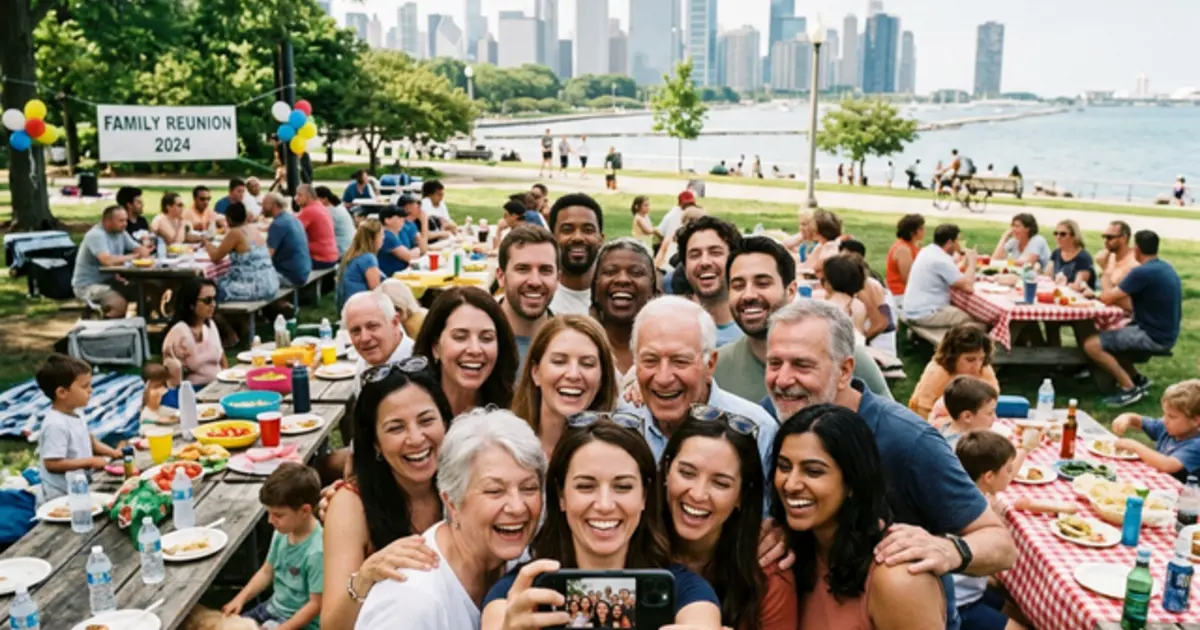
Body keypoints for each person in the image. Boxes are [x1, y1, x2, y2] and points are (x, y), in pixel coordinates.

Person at [762, 300, 1016, 628]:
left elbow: (1000, 545)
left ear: (844, 371)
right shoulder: (775, 415)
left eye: (801, 365)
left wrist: (949, 550)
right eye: (774, 363)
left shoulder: (907, 441)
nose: (782, 380)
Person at [479, 420, 723, 630]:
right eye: (586, 486)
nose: (605, 505)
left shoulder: (688, 592)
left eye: (623, 486)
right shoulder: (516, 593)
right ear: (562, 496)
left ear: (644, 496)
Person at [355, 409, 546, 629]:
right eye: (495, 491)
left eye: (529, 488)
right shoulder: (411, 602)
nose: (517, 507)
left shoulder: (521, 559)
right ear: (452, 502)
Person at [773, 404, 947, 629]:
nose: (791, 484)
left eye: (813, 471)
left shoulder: (897, 579)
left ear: (853, 482)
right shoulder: (793, 551)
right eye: (784, 467)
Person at [321, 360, 452, 630]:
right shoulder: (351, 504)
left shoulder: (467, 484)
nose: (416, 438)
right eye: (396, 427)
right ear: (375, 444)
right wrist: (365, 577)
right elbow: (333, 626)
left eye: (426, 420)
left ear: (446, 423)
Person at [618, 296, 778, 485]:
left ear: (710, 364)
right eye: (650, 360)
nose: (663, 378)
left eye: (680, 361)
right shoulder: (620, 425)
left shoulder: (757, 431)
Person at [716, 236, 892, 404]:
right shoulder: (717, 368)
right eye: (738, 286)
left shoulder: (844, 357)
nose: (748, 295)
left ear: (791, 291)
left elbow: (892, 426)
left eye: (762, 283)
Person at [661, 417, 799, 629]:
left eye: (720, 483)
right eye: (687, 473)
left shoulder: (767, 576)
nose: (698, 494)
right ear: (667, 471)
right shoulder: (625, 548)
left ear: (742, 495)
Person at [1080, 230, 1182, 407]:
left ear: (1136, 250)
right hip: (1167, 332)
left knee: (1091, 344)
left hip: (1152, 335)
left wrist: (1093, 291)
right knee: (1110, 334)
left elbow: (1108, 297)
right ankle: (1137, 378)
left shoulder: (1141, 272)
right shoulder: (1166, 267)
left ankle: (1129, 388)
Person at [223, 463, 324, 630]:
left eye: (278, 515)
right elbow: (266, 572)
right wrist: (240, 599)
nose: (270, 521)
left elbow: (315, 605)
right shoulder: (282, 532)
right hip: (272, 608)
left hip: (299, 622)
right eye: (268, 513)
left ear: (305, 511)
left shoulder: (317, 551)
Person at [511, 316, 619, 458]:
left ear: (602, 377)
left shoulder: (618, 454)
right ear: (535, 372)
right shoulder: (507, 446)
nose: (573, 375)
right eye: (559, 361)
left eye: (587, 364)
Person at [952, 432, 1025, 630]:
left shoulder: (965, 496)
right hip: (960, 604)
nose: (1011, 475)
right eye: (1008, 470)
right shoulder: (977, 513)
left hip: (970, 590)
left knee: (1024, 613)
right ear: (989, 477)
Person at [415, 286, 519, 416]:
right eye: (460, 337)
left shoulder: (517, 411)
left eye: (486, 338)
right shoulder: (410, 410)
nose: (475, 350)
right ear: (435, 347)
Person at [35, 354, 122, 503]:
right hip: (60, 497)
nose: (91, 390)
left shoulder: (76, 412)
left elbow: (90, 440)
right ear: (62, 392)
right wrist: (90, 461)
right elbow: (52, 464)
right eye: (84, 386)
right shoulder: (55, 424)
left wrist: (113, 453)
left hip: (80, 487)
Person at [592, 238, 659, 378]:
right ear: (594, 288)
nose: (622, 280)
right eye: (610, 272)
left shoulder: (671, 347)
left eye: (636, 273)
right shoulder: (577, 344)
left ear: (654, 290)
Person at [496, 226, 559, 371]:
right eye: (523, 269)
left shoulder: (571, 343)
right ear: (501, 276)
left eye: (545, 270)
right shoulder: (475, 342)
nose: (535, 282)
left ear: (558, 279)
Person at [1113, 380, 1200, 482]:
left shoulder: (1196, 445)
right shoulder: (1168, 428)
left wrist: (1134, 446)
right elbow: (1140, 421)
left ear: (1195, 420)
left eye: (1172, 416)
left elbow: (1167, 465)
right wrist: (1127, 418)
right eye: (1165, 414)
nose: (1165, 420)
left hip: (1186, 494)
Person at [909, 323, 1000, 421]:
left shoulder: (984, 369)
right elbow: (923, 409)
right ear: (953, 357)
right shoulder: (937, 372)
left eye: (981, 359)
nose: (977, 366)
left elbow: (993, 399)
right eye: (970, 360)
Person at [71, 205, 150, 317]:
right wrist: (133, 257)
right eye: (121, 221)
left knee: (148, 293)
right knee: (118, 305)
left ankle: (142, 327)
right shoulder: (96, 235)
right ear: (107, 221)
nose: (125, 224)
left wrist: (144, 249)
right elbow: (107, 261)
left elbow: (140, 250)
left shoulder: (121, 232)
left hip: (110, 281)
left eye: (126, 220)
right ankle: (104, 328)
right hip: (88, 285)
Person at [677, 216, 743, 347]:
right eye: (695, 255)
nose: (704, 262)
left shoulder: (758, 334)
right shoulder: (673, 331)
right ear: (685, 268)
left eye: (715, 253)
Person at [902, 223, 977, 329]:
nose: (959, 245)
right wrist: (973, 261)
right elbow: (969, 288)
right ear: (950, 242)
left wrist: (965, 263)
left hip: (914, 308)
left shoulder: (928, 250)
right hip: (924, 313)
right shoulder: (941, 260)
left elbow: (951, 273)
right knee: (973, 321)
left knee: (958, 311)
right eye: (958, 241)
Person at [204, 202, 280, 303]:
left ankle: (227, 318)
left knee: (211, 290)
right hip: (270, 281)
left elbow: (215, 257)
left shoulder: (235, 232)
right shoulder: (253, 229)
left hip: (254, 286)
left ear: (229, 219)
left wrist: (206, 243)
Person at [162, 278, 228, 388]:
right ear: (191, 304)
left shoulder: (210, 325)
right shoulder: (179, 332)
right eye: (207, 300)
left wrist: (227, 380)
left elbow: (222, 358)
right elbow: (171, 376)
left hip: (217, 385)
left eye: (214, 299)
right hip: (194, 391)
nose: (213, 304)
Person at [548, 193, 605, 316]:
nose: (578, 237)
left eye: (588, 230)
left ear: (601, 239)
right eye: (567, 230)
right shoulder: (542, 300)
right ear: (552, 238)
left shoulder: (613, 301)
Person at [342, 290, 415, 376]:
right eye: (356, 330)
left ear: (394, 323)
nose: (364, 338)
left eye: (372, 326)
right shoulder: (364, 362)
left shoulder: (418, 367)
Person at [263, 191, 313, 289]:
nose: (262, 208)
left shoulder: (278, 225)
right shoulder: (292, 219)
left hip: (290, 276)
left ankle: (278, 303)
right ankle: (281, 303)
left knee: (250, 275)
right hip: (303, 271)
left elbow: (267, 256)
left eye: (264, 204)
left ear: (273, 205)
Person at [336, 219, 385, 311]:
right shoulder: (368, 258)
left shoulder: (351, 255)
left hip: (346, 305)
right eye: (381, 235)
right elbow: (376, 291)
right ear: (373, 238)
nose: (383, 238)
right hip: (360, 307)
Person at [938, 376, 1000, 447]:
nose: (995, 417)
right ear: (967, 417)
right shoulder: (966, 450)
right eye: (990, 413)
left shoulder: (944, 431)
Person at [886, 214, 926, 309]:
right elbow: (908, 278)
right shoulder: (903, 250)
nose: (924, 231)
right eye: (921, 229)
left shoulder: (912, 246)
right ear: (912, 233)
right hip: (901, 295)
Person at [377, 198, 425, 277]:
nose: (402, 220)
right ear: (387, 220)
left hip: (400, 274)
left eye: (403, 218)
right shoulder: (387, 237)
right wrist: (418, 249)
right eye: (399, 217)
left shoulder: (393, 235)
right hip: (391, 278)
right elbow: (409, 256)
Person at [296, 184, 340, 270]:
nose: (296, 198)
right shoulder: (321, 207)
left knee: (282, 261)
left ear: (308, 196)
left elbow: (291, 231)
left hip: (320, 260)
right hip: (333, 257)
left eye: (299, 195)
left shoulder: (309, 210)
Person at [655, 190, 701, 271]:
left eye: (691, 203)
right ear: (680, 203)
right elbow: (659, 232)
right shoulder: (672, 216)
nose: (689, 206)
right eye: (686, 204)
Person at [1046, 219, 1095, 289]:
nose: (1058, 237)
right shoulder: (1056, 253)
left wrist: (1062, 284)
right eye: (1056, 233)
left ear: (1074, 236)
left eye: (1063, 234)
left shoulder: (1083, 258)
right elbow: (1047, 278)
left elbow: (1078, 287)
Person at [796, 210, 843, 276]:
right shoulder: (821, 245)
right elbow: (806, 265)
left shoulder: (831, 249)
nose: (812, 230)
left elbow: (814, 268)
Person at [1097, 220, 1139, 291]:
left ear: (1124, 238)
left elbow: (1112, 295)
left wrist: (1104, 268)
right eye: (1104, 237)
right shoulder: (1109, 256)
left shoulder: (1133, 263)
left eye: (1109, 237)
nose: (1105, 241)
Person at [316, 185, 355, 256]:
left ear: (324, 199)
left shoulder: (329, 212)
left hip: (342, 249)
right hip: (350, 245)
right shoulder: (338, 207)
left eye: (315, 200)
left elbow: (321, 233)